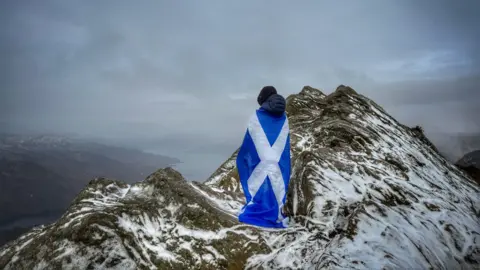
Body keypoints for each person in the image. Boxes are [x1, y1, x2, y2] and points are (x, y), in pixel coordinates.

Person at [236, 86, 291, 228]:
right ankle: (275, 210)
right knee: (276, 183)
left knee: (259, 178)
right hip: (278, 163)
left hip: (261, 162)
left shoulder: (257, 116)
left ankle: (258, 208)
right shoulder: (284, 118)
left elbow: (249, 145)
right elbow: (284, 146)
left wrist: (245, 158)